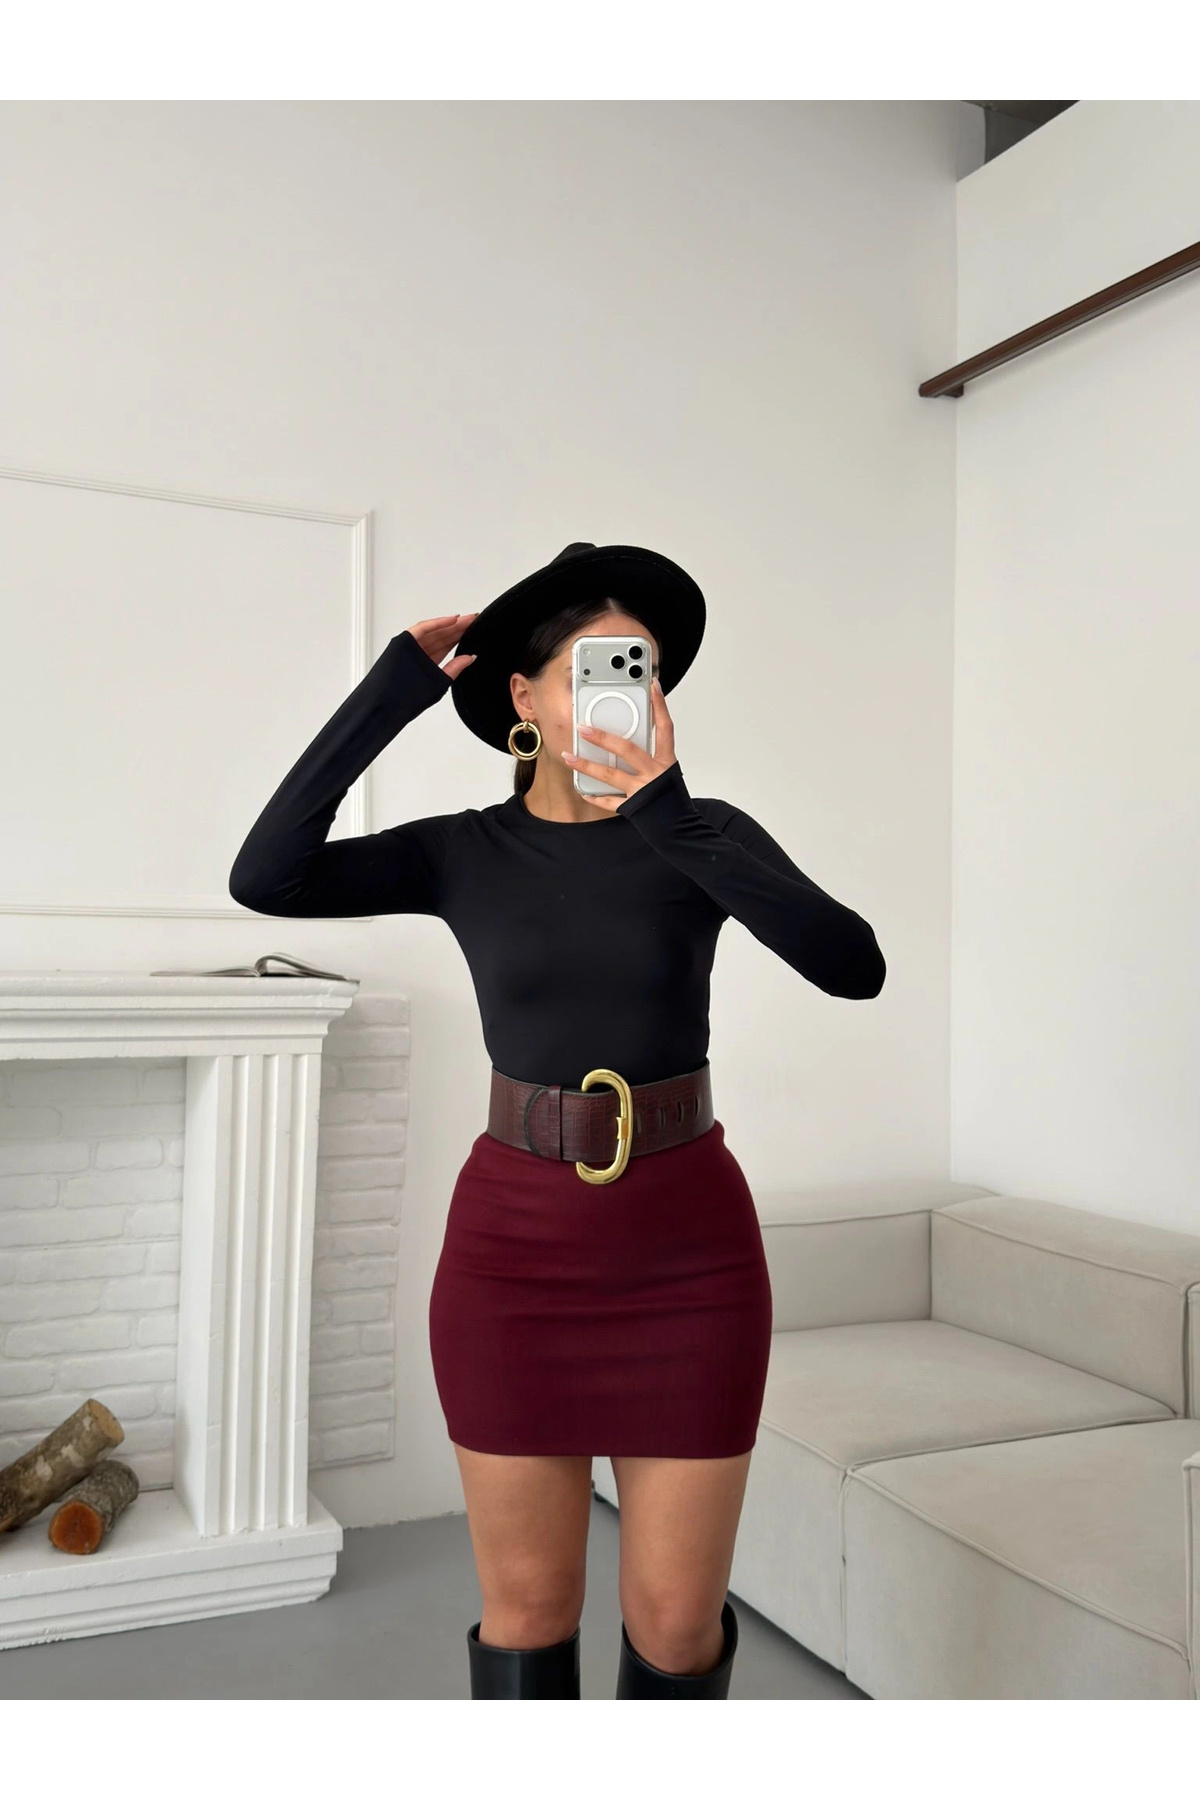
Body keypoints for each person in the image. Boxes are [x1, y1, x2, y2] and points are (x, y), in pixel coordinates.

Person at [228, 542, 886, 1699]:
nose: (625, 694)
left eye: (642, 672)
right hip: (513, 1258)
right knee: (529, 1608)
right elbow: (266, 877)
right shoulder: (463, 852)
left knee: (677, 1623)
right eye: (590, 670)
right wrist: (395, 688)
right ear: (523, 697)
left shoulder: (704, 834)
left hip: (690, 1258)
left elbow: (854, 966)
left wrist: (669, 815)